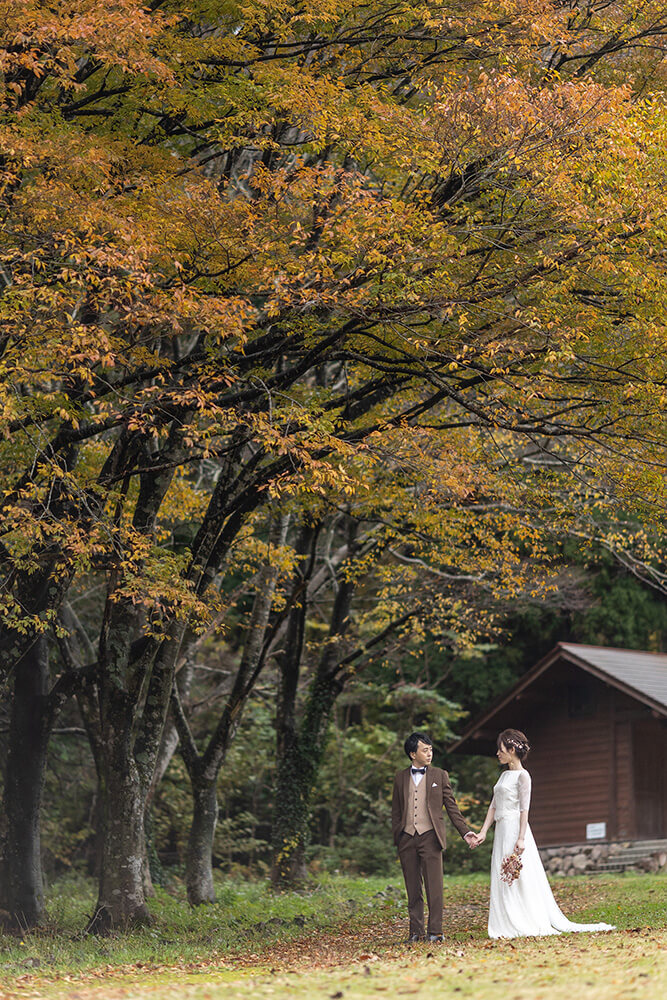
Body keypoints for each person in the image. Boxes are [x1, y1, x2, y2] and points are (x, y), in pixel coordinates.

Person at [471, 728, 615, 938]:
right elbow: (494, 805)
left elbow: (524, 809)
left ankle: (524, 918)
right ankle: (506, 919)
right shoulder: (503, 775)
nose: (498, 753)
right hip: (501, 829)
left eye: (501, 749)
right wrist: (483, 831)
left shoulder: (523, 776)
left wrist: (520, 838)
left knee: (518, 873)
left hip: (514, 828)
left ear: (511, 750)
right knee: (502, 872)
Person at [392, 732, 477, 943]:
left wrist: (465, 832)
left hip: (430, 836)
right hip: (407, 837)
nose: (430, 753)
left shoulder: (440, 775)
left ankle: (436, 932)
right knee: (413, 888)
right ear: (413, 754)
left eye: (431, 749)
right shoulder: (400, 777)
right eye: (425, 750)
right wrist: (398, 834)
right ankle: (416, 932)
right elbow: (396, 810)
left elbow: (451, 807)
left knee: (434, 887)